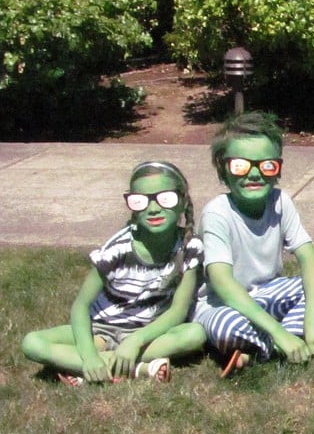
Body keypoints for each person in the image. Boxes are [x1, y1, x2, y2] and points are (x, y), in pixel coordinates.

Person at [193, 111, 314, 375]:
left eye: (266, 165)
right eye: (240, 166)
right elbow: (222, 282)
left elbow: (309, 257)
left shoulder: (280, 201)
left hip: (269, 292)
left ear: (277, 168)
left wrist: (313, 315)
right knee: (225, 326)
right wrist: (277, 331)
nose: (254, 174)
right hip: (225, 303)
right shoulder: (217, 213)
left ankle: (273, 342)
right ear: (223, 169)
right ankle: (283, 338)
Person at [22, 161, 205, 384]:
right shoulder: (117, 249)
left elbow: (178, 311)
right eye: (141, 201)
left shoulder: (190, 246)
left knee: (195, 334)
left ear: (183, 201)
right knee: (32, 343)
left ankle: (86, 367)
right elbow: (81, 306)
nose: (154, 208)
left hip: (149, 335)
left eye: (165, 198)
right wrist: (89, 355)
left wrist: (136, 340)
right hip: (101, 330)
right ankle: (135, 368)